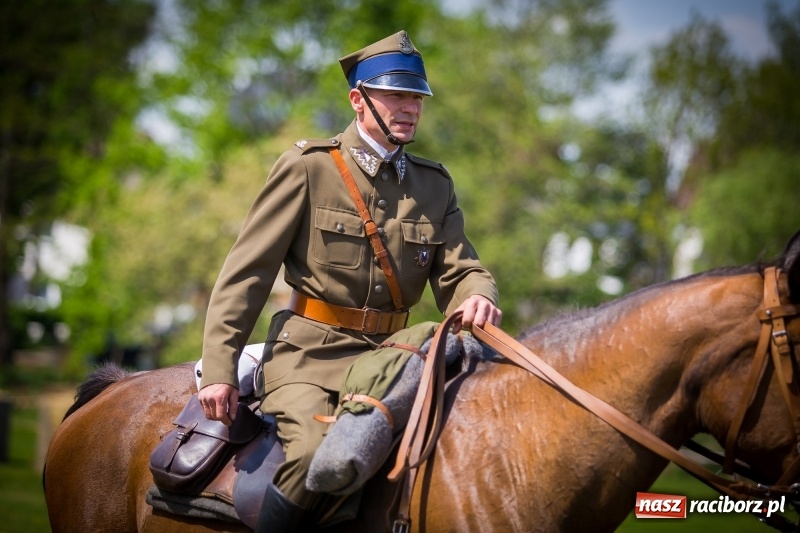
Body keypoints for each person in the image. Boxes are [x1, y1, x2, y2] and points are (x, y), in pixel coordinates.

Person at [198, 30, 502, 532]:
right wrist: (218, 369)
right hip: (309, 357)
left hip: (392, 357)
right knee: (318, 456)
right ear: (359, 100)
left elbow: (460, 270)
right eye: (396, 95)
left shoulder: (433, 184)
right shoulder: (309, 168)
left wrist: (478, 297)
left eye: (416, 97)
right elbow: (247, 273)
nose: (410, 108)